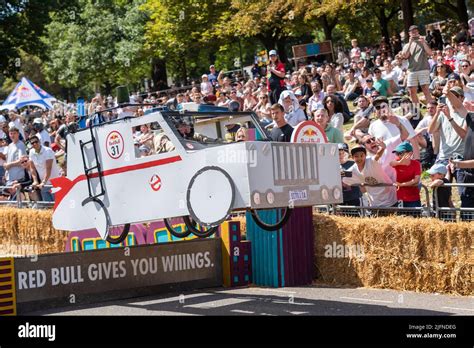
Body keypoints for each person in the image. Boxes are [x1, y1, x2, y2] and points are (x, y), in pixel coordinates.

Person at [398, 25, 434, 105]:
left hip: (423, 68)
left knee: (425, 89)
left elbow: (430, 53)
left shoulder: (423, 42)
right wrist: (410, 43)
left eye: (415, 31)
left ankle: (431, 108)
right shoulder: (407, 45)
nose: (414, 32)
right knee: (411, 90)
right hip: (412, 70)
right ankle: (416, 110)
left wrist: (423, 42)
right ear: (409, 33)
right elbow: (405, 56)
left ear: (418, 32)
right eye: (412, 31)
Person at [389, 141, 422, 208]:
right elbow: (391, 163)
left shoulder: (416, 164)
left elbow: (416, 180)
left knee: (415, 217)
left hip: (413, 198)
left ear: (410, 153)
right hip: (400, 197)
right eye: (396, 153)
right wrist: (400, 162)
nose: (398, 156)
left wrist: (401, 185)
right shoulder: (397, 162)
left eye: (400, 153)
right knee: (402, 216)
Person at [28, 135, 60, 202]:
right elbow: (32, 168)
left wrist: (43, 182)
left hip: (54, 182)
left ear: (39, 142)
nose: (34, 144)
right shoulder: (31, 152)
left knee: (57, 205)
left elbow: (48, 168)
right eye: (32, 143)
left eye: (36, 142)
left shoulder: (48, 151)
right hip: (44, 184)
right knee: (47, 207)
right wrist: (35, 180)